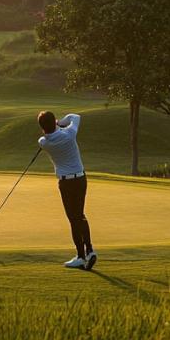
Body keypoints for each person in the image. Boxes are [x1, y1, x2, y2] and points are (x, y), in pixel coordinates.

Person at [37, 110, 96, 270]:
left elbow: (45, 136)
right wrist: (61, 122)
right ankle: (88, 251)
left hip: (66, 183)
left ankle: (81, 256)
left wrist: (54, 125)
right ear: (54, 121)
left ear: (42, 127)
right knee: (80, 215)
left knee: (73, 218)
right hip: (80, 178)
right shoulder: (69, 134)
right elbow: (76, 117)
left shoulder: (43, 142)